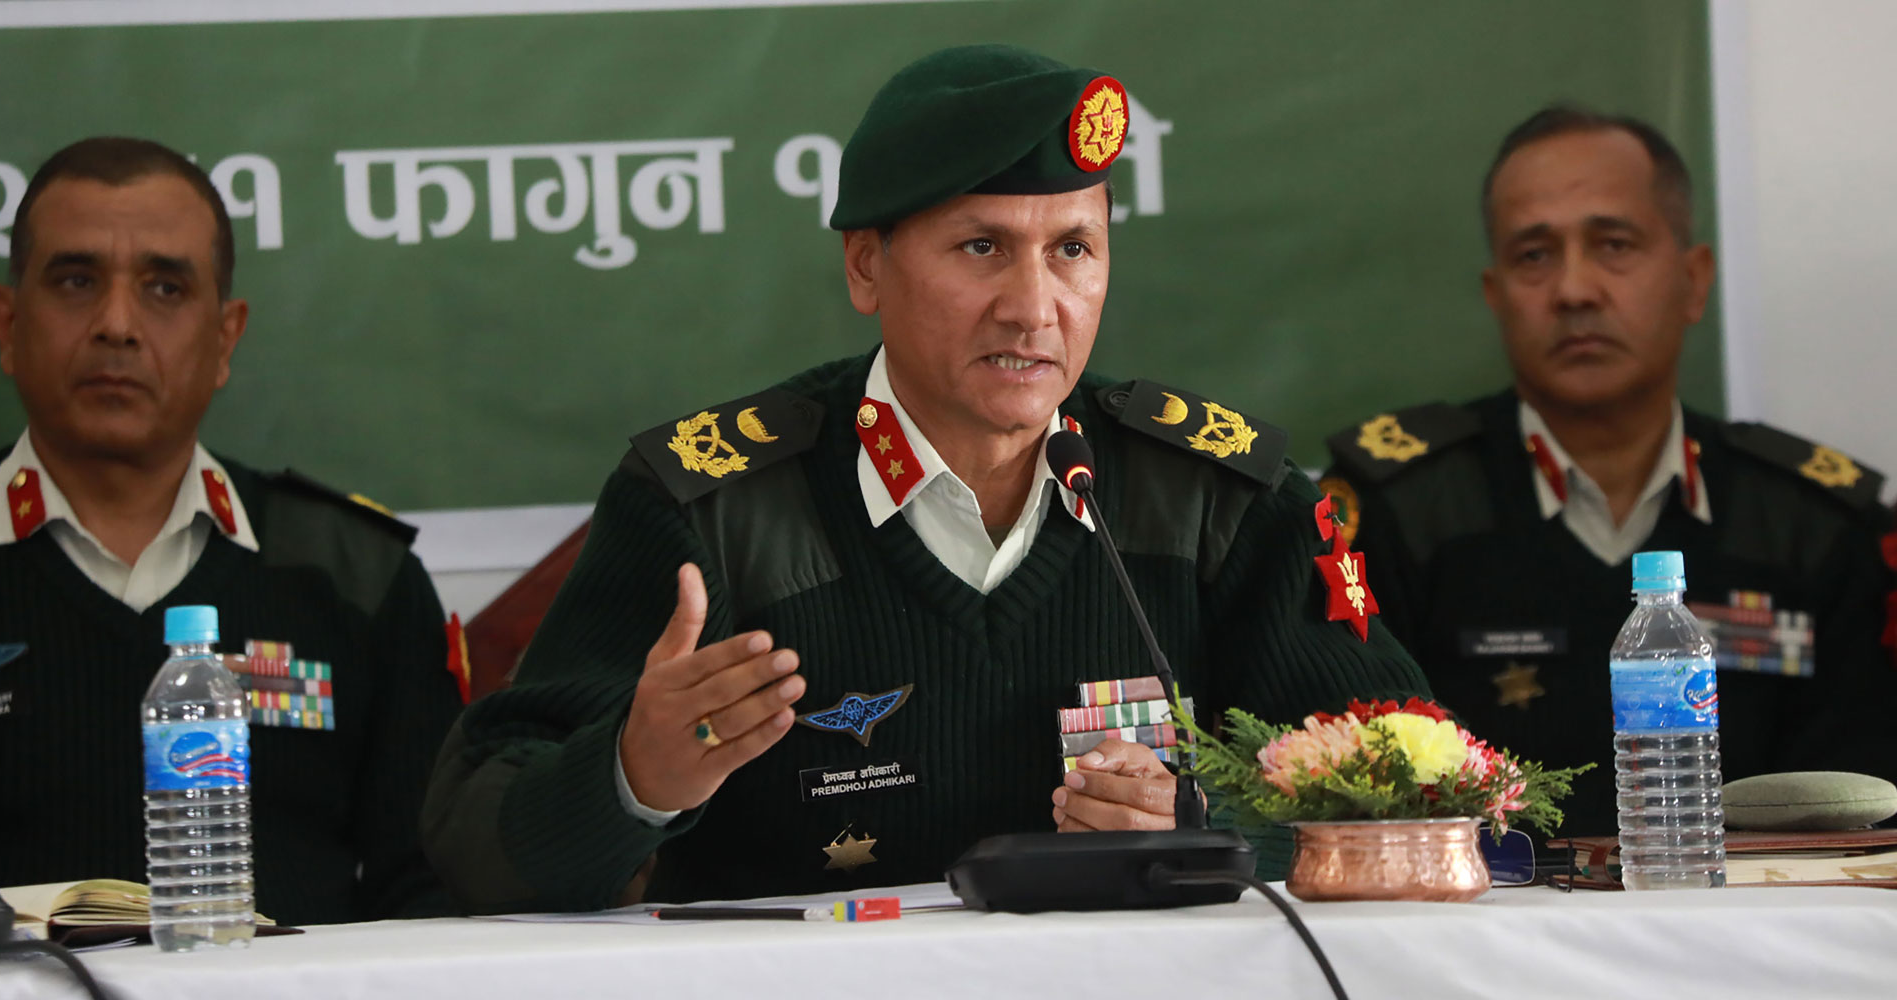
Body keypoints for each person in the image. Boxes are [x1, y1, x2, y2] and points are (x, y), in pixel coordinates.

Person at [422, 44, 1431, 913]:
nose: (1033, 306)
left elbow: (1421, 789)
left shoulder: (1221, 498)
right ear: (867, 267)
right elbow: (471, 843)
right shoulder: (711, 507)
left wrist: (1220, 828)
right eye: (982, 247)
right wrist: (631, 777)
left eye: (1072, 249)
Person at [1321, 105, 1897, 837]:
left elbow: (1864, 804)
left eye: (1614, 245)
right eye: (1534, 255)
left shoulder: (1811, 525)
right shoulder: (1400, 510)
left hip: (1758, 903)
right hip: (1477, 906)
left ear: (1693, 280)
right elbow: (1355, 785)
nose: (1574, 290)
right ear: (1496, 296)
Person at [0, 137, 461, 924]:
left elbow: (431, 888)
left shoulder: (357, 576)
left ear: (225, 337)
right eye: (76, 281)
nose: (117, 324)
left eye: (165, 288)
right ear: (7, 324)